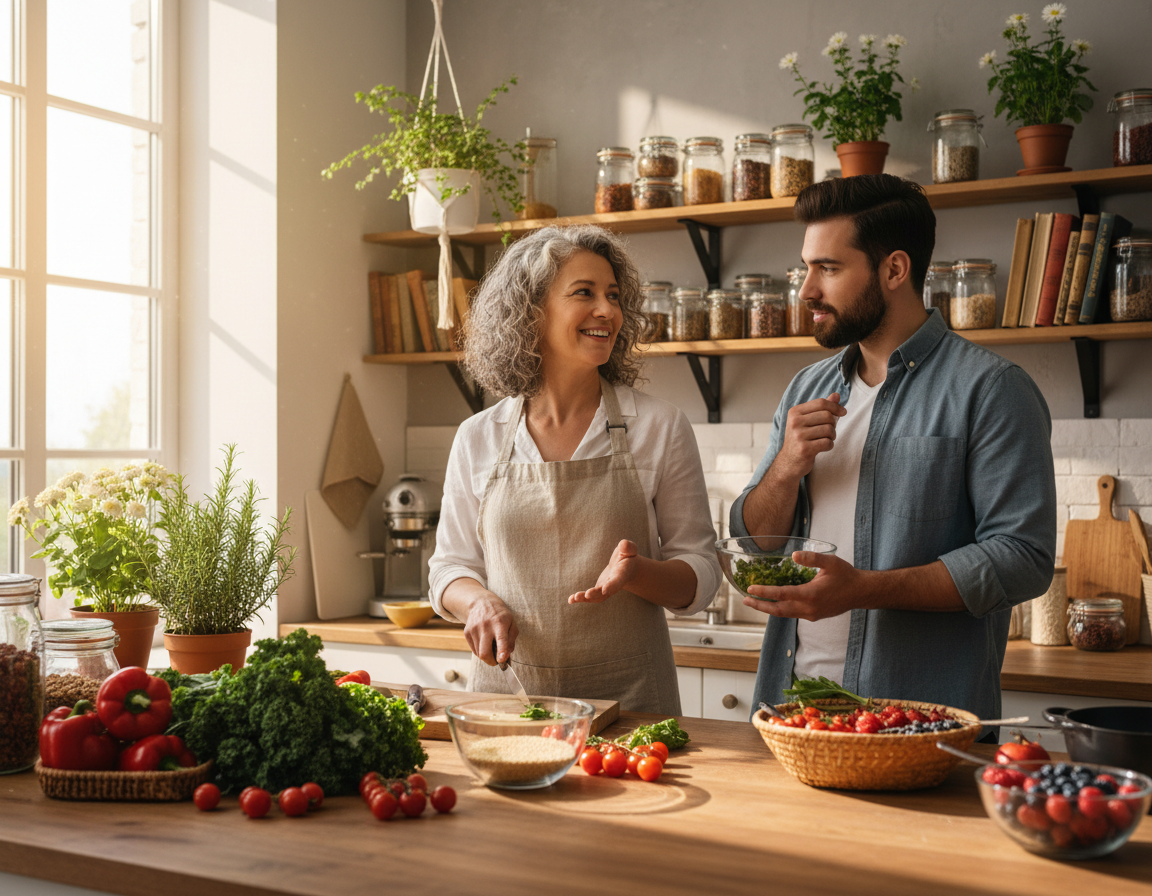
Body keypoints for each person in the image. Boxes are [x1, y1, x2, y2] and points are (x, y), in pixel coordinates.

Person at [731, 174, 1056, 728]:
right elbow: (755, 545)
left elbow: (1022, 559)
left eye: (828, 269)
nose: (807, 290)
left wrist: (861, 590)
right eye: (805, 268)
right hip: (793, 713)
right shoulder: (805, 389)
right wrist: (785, 469)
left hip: (918, 722)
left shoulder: (992, 389)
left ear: (894, 270)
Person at [429, 224, 722, 714]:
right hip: (509, 698)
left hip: (633, 705)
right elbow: (450, 568)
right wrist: (478, 601)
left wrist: (638, 574)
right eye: (584, 293)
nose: (607, 310)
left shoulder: (659, 426)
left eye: (613, 295)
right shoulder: (479, 436)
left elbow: (702, 573)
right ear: (530, 313)